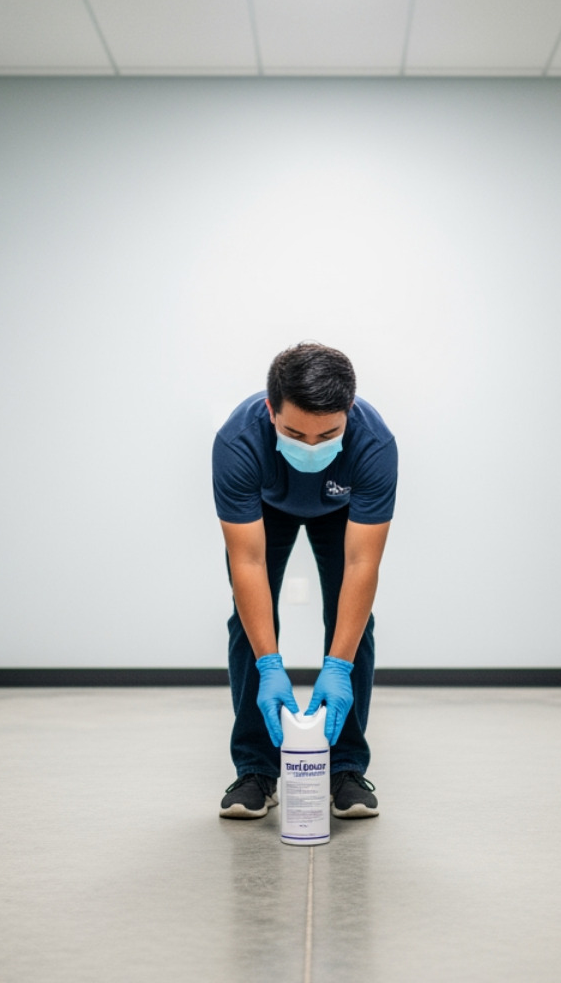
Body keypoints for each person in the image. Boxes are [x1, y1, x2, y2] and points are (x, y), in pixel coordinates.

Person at [212, 343, 397, 820]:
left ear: (349, 413)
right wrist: (270, 663)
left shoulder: (374, 445)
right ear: (271, 409)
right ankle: (256, 770)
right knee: (249, 624)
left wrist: (336, 667)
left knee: (353, 623)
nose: (311, 447)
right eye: (295, 433)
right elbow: (247, 563)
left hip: (341, 511)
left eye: (328, 434)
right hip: (266, 506)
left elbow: (362, 564)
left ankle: (346, 769)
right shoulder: (238, 443)